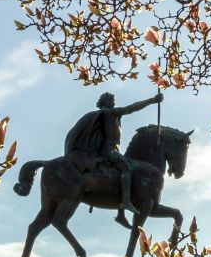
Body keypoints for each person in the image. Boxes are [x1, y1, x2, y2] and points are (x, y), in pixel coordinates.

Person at [64, 91, 163, 227]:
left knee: (122, 168)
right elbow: (131, 108)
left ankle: (120, 215)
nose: (114, 103)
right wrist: (152, 100)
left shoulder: (107, 115)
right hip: (109, 151)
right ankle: (126, 202)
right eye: (112, 100)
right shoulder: (110, 113)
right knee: (126, 167)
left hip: (112, 150)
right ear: (108, 102)